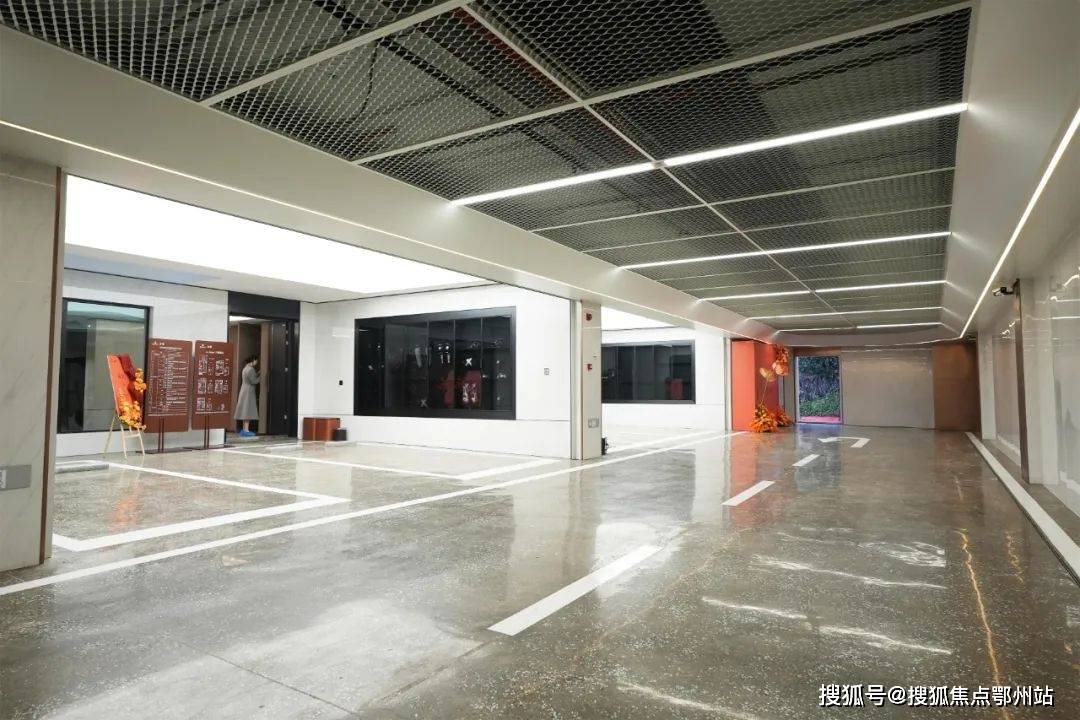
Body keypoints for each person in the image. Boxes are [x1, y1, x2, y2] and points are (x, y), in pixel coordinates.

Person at [235, 355, 260, 437]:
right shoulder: (251, 369)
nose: (257, 362)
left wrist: (258, 373)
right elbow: (254, 381)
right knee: (248, 410)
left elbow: (251, 377)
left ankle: (244, 430)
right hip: (249, 391)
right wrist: (261, 377)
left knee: (244, 410)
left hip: (244, 390)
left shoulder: (245, 368)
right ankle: (246, 430)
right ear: (253, 360)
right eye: (256, 361)